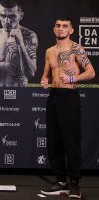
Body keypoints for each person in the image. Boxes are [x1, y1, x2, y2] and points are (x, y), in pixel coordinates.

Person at [40, 17, 95, 199]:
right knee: (54, 141)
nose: (61, 29)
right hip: (53, 96)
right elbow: (46, 73)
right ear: (54, 29)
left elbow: (91, 72)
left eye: (65, 26)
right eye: (57, 25)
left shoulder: (76, 49)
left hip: (69, 97)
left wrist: (73, 79)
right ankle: (60, 181)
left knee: (71, 141)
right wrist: (44, 80)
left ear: (71, 30)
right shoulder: (49, 51)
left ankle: (74, 184)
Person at [0, 0, 38, 87]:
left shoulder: (29, 36)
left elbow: (30, 74)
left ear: (21, 16)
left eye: (12, 16)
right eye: (3, 16)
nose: (7, 21)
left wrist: (21, 44)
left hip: (19, 91)